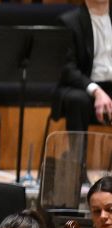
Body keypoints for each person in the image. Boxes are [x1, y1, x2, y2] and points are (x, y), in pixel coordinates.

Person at [53, 0, 112, 132]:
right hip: (82, 86)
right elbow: (67, 69)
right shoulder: (68, 21)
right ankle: (77, 152)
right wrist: (97, 91)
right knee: (77, 100)